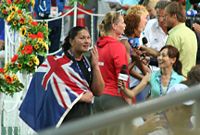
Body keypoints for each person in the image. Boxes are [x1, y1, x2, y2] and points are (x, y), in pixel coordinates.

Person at [19, 26, 104, 131]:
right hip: (65, 120)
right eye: (82, 38)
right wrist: (80, 97)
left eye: (88, 38)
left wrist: (95, 66)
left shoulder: (87, 62)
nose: (86, 41)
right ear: (71, 41)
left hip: (86, 119)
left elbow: (98, 91)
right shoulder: (57, 61)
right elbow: (54, 84)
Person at [94, 11, 129, 112]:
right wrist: (127, 98)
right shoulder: (118, 47)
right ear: (114, 26)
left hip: (97, 100)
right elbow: (122, 76)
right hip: (114, 99)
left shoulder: (98, 46)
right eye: (122, 22)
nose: (125, 25)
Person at [120, 45, 185, 98]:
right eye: (159, 55)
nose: (159, 58)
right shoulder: (151, 76)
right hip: (154, 113)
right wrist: (123, 88)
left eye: (163, 55)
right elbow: (132, 93)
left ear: (173, 60)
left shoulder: (181, 80)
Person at [123, 5, 151, 102]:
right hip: (130, 84)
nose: (146, 21)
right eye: (144, 18)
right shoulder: (126, 40)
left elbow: (137, 58)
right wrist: (145, 77)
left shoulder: (141, 35)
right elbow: (127, 66)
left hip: (141, 83)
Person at [165, 1, 198, 77]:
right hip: (189, 79)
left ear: (174, 16)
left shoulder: (174, 36)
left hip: (176, 81)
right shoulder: (191, 33)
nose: (164, 19)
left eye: (166, 16)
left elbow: (166, 60)